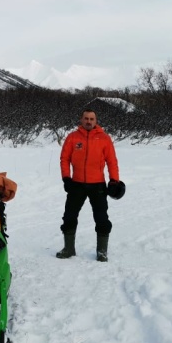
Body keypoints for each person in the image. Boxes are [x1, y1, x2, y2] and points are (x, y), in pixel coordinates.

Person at [57, 109, 126, 262]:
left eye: (92, 119)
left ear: (96, 121)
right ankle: (69, 249)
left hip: (98, 185)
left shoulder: (104, 138)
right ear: (81, 120)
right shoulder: (73, 137)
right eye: (86, 118)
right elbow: (64, 159)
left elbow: (112, 161)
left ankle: (102, 251)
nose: (89, 121)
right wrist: (66, 178)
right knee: (69, 216)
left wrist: (114, 180)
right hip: (76, 184)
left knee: (101, 218)